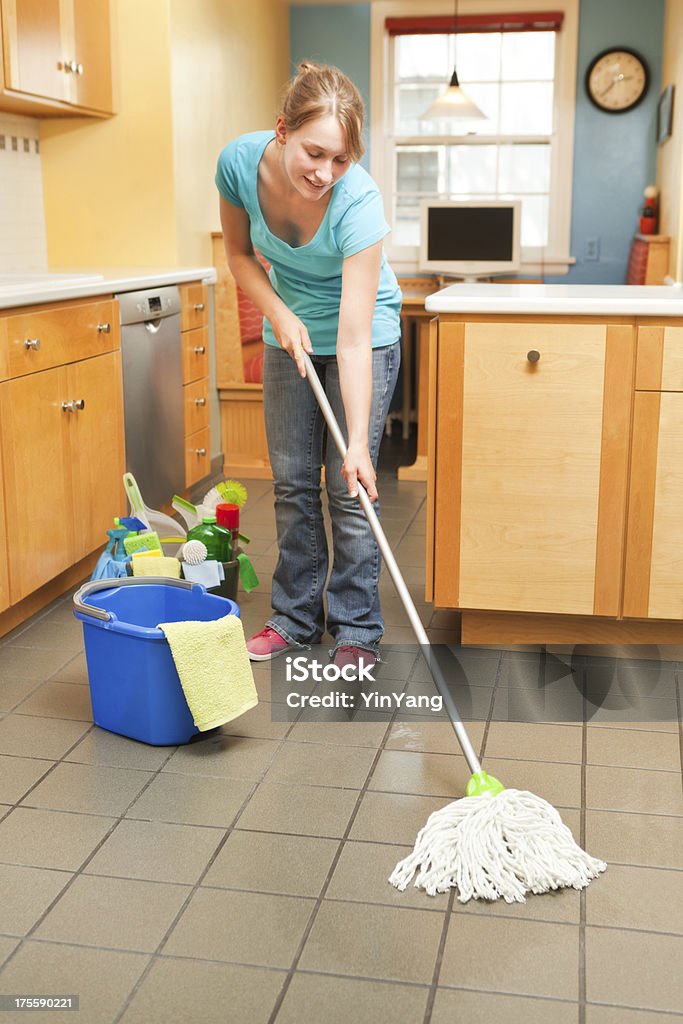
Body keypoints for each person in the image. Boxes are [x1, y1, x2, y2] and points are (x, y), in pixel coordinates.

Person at [216, 61, 402, 671]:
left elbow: (351, 339)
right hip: (286, 332)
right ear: (282, 130)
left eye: (341, 159)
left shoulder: (359, 205)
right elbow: (240, 257)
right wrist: (279, 313)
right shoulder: (239, 165)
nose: (325, 173)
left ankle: (355, 630)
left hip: (361, 337)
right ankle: (295, 619)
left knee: (349, 491)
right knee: (294, 485)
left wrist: (358, 447)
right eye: (314, 152)